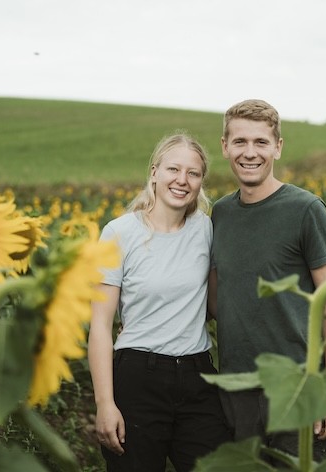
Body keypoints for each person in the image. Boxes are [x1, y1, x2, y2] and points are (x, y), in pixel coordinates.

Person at [209, 99, 326, 461]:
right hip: (237, 391)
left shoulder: (305, 209)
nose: (250, 152)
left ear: (278, 147)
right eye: (239, 142)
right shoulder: (220, 214)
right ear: (225, 146)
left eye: (261, 142)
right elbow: (216, 297)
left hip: (296, 388)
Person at [88, 132, 231, 472]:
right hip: (138, 377)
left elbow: (215, 305)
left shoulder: (207, 230)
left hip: (198, 376)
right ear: (154, 172)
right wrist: (105, 403)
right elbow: (100, 326)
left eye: (193, 173)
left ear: (200, 181)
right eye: (173, 169)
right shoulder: (118, 233)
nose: (182, 180)